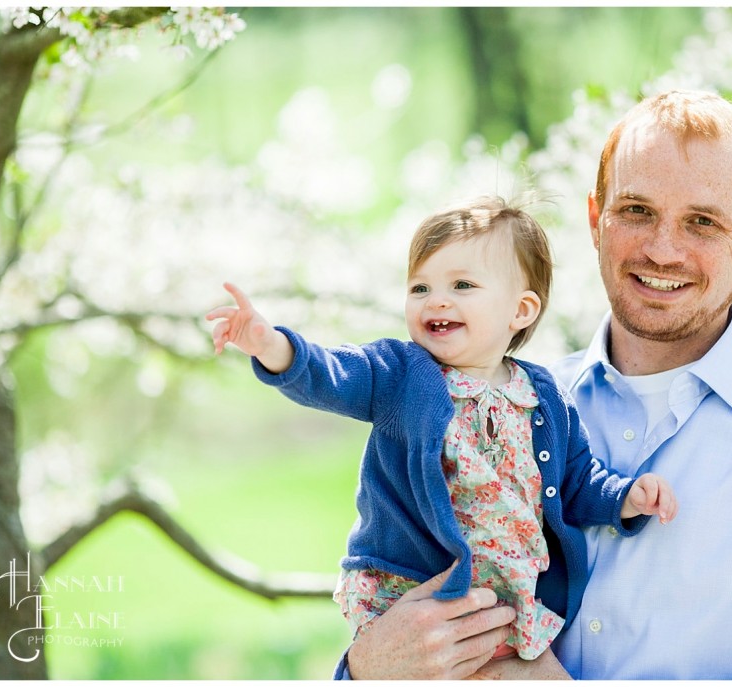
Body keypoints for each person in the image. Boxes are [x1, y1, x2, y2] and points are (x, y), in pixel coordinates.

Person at [336, 90, 732, 680]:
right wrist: (366, 667)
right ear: (596, 220)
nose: (663, 250)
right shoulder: (501, 408)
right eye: (637, 211)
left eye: (703, 222)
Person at [205, 197, 678, 663]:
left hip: (504, 601)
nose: (437, 300)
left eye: (462, 284)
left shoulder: (543, 396)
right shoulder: (401, 374)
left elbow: (577, 479)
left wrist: (625, 497)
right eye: (420, 288)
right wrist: (273, 347)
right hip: (416, 589)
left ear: (521, 310)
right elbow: (332, 374)